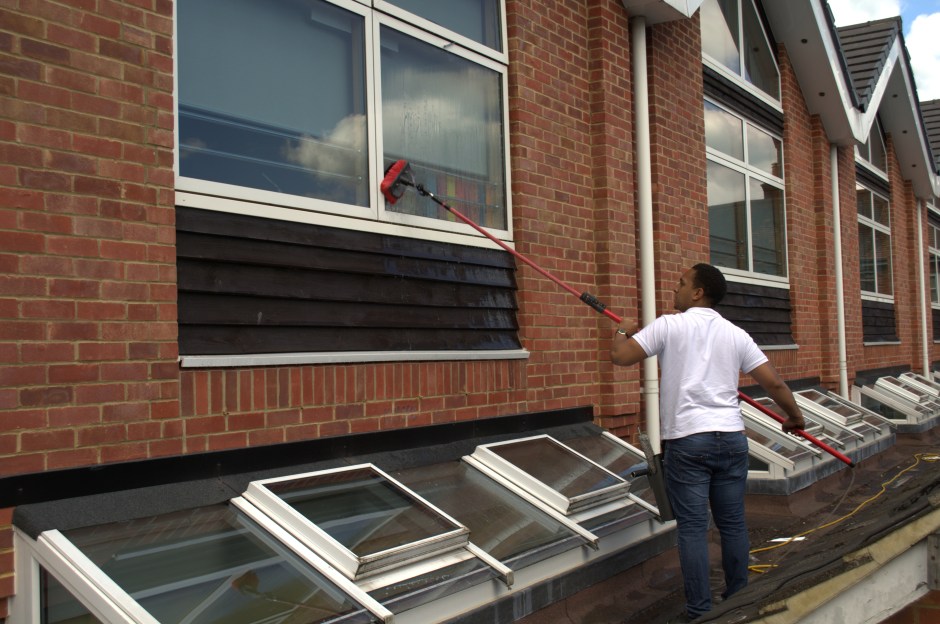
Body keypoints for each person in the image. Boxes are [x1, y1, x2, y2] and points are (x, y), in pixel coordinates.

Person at [610, 263, 805, 621]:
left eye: (681, 283)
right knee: (732, 524)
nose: (675, 288)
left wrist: (622, 330)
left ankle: (700, 612)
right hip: (731, 438)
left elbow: (621, 357)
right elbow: (774, 383)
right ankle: (739, 600)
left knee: (694, 528)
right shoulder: (736, 334)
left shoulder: (669, 325)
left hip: (688, 441)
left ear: (698, 292)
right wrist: (795, 417)